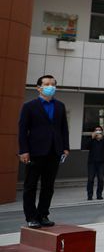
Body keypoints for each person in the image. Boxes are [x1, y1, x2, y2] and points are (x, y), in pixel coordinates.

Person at [18, 75, 70, 228]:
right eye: (47, 84)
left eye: (53, 84)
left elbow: (64, 129)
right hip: (35, 152)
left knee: (48, 186)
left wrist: (65, 147)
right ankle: (31, 217)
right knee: (30, 186)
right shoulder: (29, 106)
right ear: (38, 88)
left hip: (54, 151)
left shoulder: (60, 106)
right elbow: (22, 131)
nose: (50, 87)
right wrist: (24, 151)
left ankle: (43, 215)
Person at [83, 125, 104, 201]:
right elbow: (85, 146)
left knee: (101, 179)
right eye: (96, 130)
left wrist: (102, 138)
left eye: (99, 130)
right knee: (90, 179)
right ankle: (89, 195)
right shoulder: (91, 140)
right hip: (92, 162)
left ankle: (99, 195)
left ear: (102, 132)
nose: (98, 132)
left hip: (102, 162)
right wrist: (92, 138)